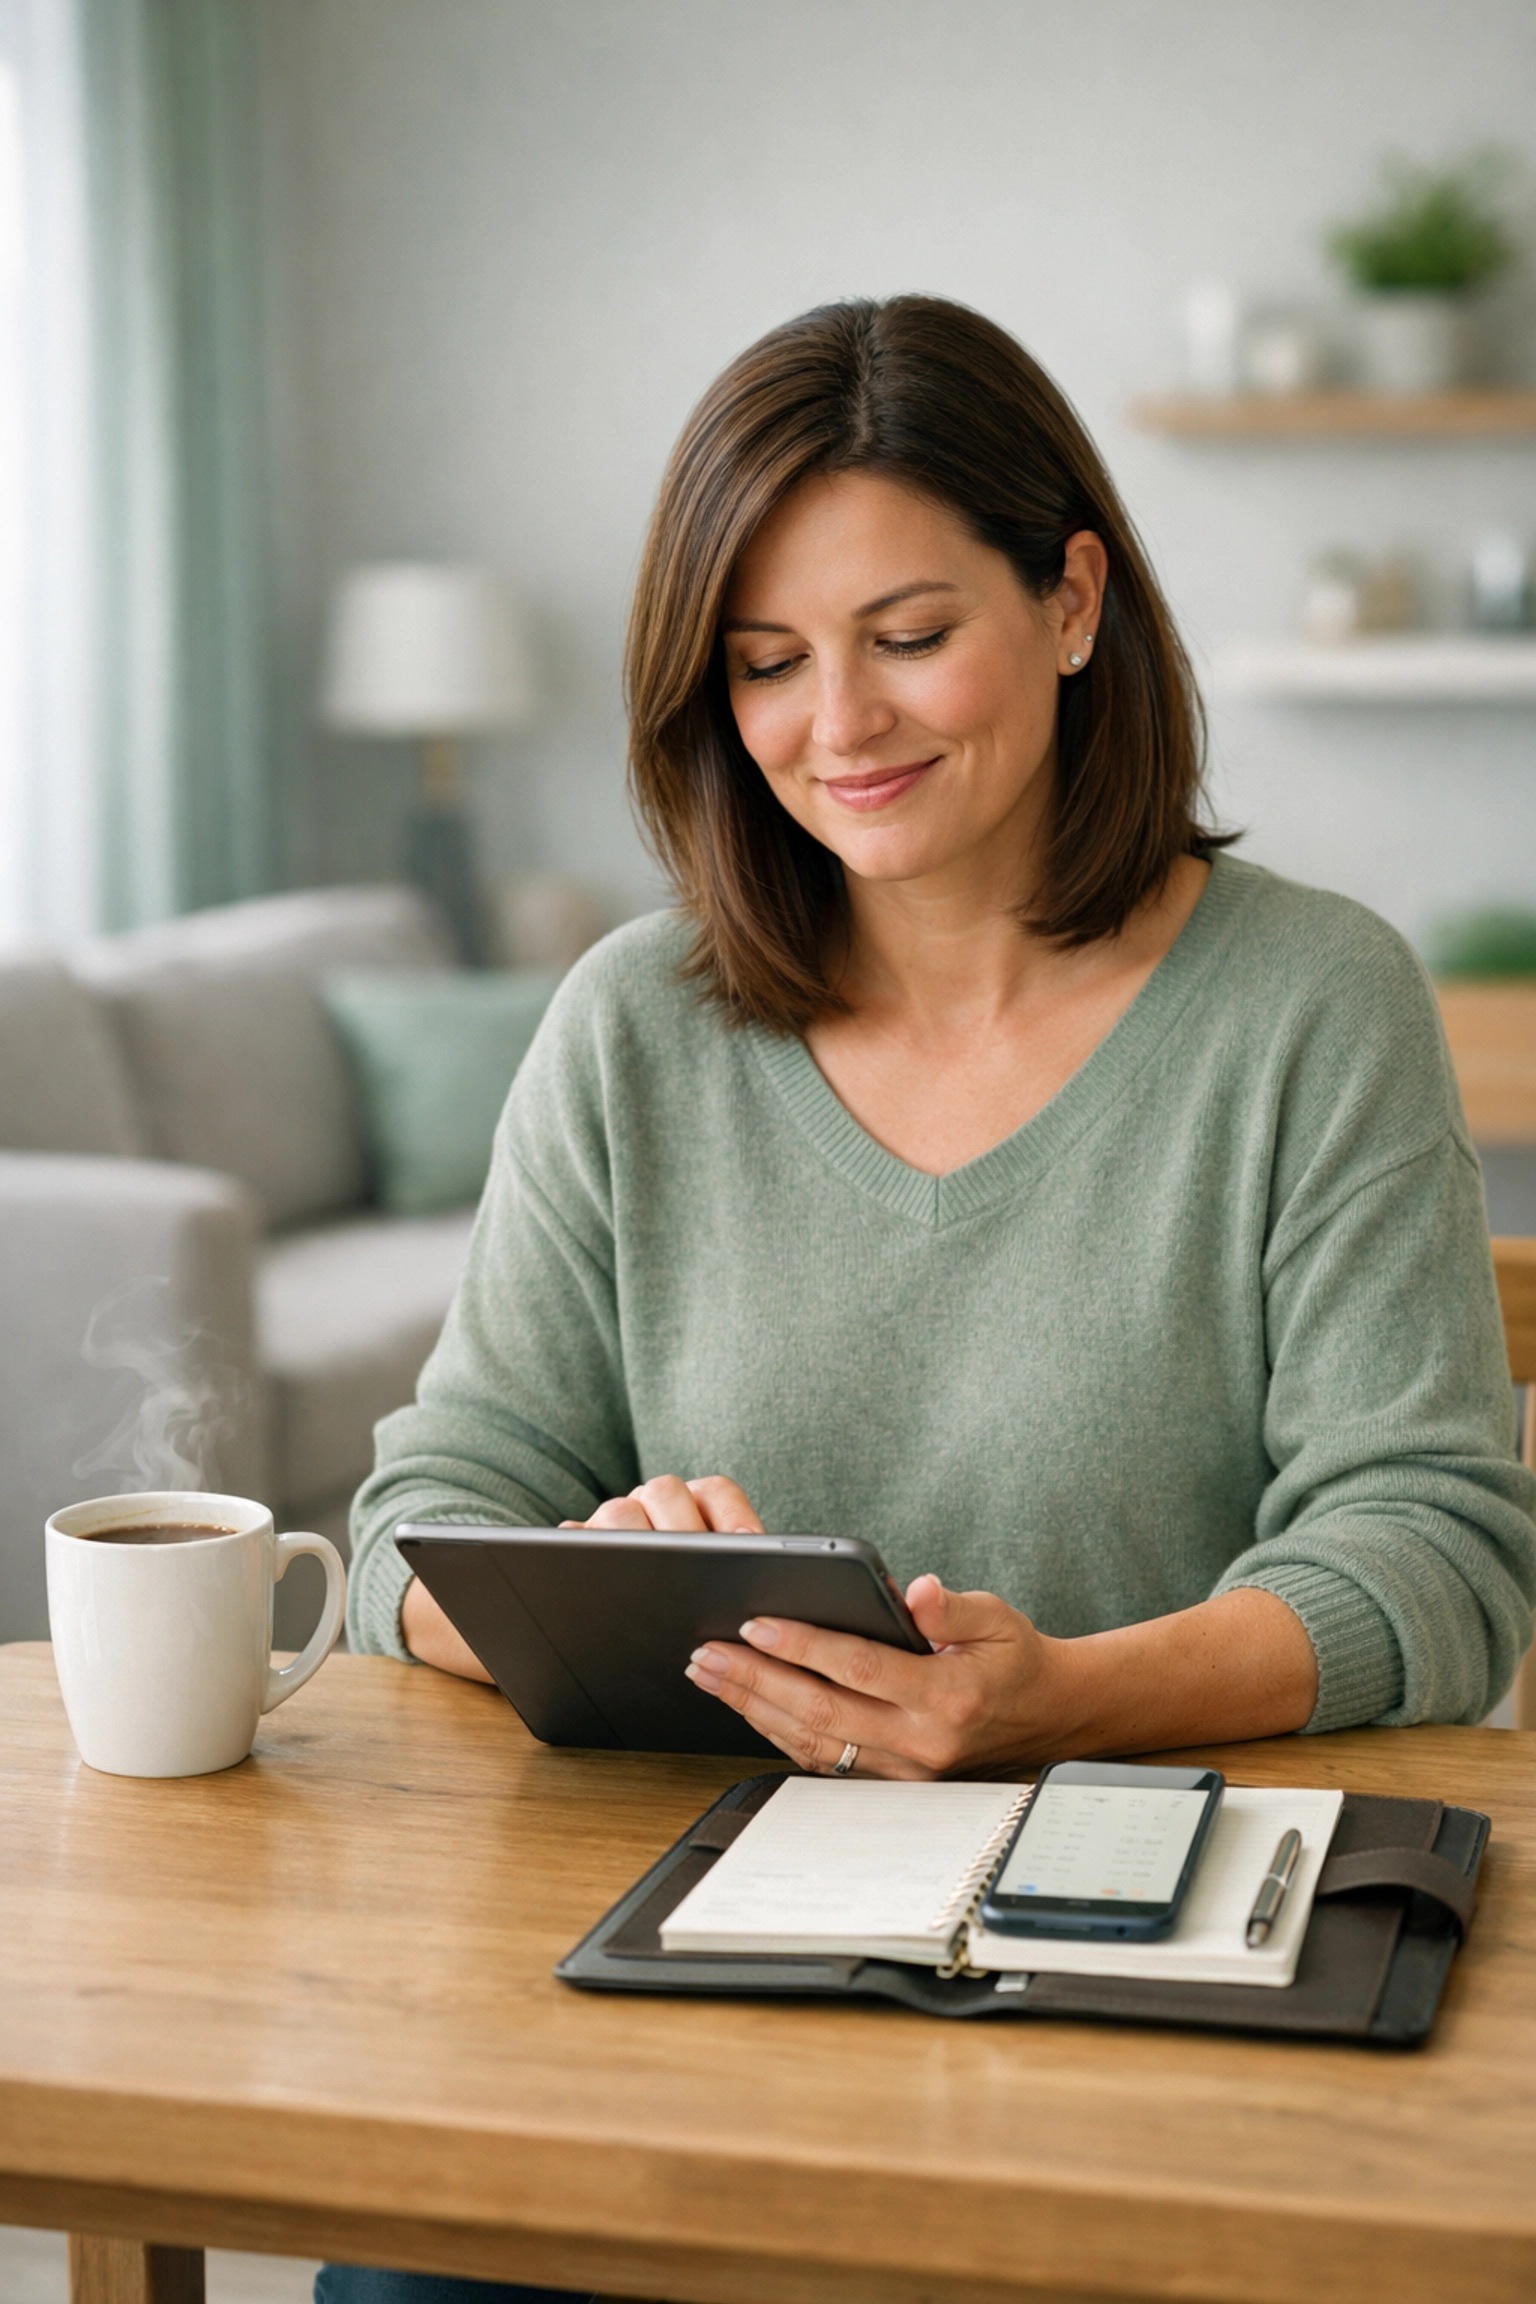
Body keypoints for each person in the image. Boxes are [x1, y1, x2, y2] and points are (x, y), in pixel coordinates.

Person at [317, 296, 1535, 2303]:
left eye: (907, 636)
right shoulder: (633, 1023)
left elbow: (1438, 1558)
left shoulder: (1316, 1005)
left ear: (1071, 601)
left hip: (1142, 1961)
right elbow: (414, 1516)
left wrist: (1054, 1702)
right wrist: (567, 1575)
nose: (838, 727)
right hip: (681, 1954)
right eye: (768, 664)